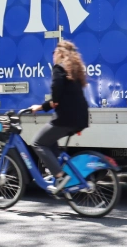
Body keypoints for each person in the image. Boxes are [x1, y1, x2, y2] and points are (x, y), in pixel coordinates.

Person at [29, 40, 89, 194]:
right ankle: (65, 173)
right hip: (80, 117)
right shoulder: (73, 71)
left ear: (60, 54)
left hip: (66, 118)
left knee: (37, 143)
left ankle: (61, 177)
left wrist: (39, 107)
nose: (53, 55)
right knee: (50, 143)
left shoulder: (58, 69)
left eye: (54, 52)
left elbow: (55, 100)